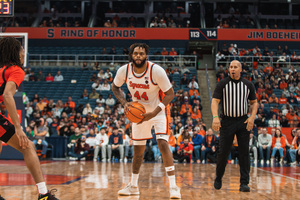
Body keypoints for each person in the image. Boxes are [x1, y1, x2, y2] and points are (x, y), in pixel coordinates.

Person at [112, 43, 181, 198]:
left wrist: (155, 112)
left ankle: (174, 187)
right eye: (135, 53)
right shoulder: (124, 70)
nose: (138, 56)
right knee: (138, 152)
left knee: (163, 144)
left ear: (146, 56)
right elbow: (115, 87)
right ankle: (133, 186)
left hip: (158, 110)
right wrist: (124, 103)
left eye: (141, 53)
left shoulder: (156, 71)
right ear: (131, 55)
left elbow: (170, 94)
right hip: (139, 113)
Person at [0, 37, 58, 199]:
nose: (24, 53)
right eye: (21, 49)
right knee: (28, 147)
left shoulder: (1, 70)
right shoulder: (16, 70)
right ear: (16, 53)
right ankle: (43, 194)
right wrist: (18, 128)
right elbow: (7, 95)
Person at [211, 60, 258, 192]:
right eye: (230, 67)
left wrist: (252, 117)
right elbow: (215, 101)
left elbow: (254, 103)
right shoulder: (222, 84)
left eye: (235, 67)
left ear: (240, 69)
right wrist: (215, 117)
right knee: (223, 152)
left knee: (244, 153)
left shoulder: (248, 85)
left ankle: (244, 183)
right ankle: (218, 177)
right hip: (227, 121)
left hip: (243, 121)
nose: (232, 69)